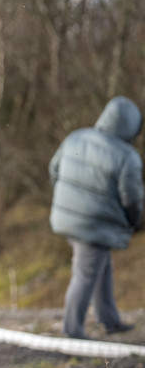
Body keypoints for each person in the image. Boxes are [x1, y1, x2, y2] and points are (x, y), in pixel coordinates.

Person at [49, 96, 144, 339]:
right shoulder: (127, 156)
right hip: (94, 223)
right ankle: (72, 331)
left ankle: (109, 319)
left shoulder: (76, 136)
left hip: (69, 217)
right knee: (85, 273)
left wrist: (67, 202)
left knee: (99, 266)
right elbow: (132, 199)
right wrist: (135, 220)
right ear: (131, 126)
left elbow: (54, 169)